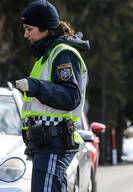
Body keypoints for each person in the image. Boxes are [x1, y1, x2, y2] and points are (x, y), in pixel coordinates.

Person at [15, 0, 89, 191]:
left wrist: (35, 86)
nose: (25, 35)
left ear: (45, 28)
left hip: (54, 143)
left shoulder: (62, 54)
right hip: (45, 144)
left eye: (29, 29)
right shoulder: (46, 55)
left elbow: (70, 96)